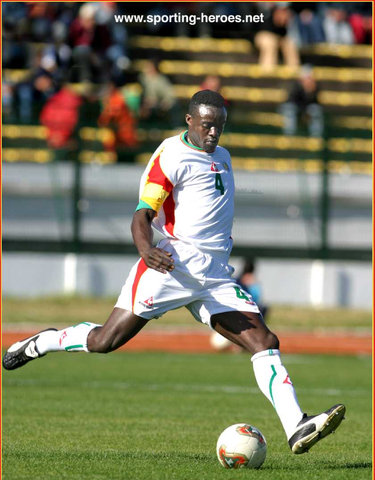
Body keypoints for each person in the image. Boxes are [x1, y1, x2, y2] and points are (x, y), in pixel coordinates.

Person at [3, 89, 345, 455]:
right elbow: (142, 214)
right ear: (190, 121)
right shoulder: (170, 155)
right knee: (105, 341)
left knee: (264, 342)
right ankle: (41, 342)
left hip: (214, 276)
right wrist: (146, 249)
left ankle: (296, 425)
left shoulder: (224, 156)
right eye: (207, 125)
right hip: (171, 267)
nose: (213, 133)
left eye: (220, 126)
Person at [280, 64, 324, 137]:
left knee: (315, 111)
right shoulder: (295, 86)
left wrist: (310, 92)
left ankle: (316, 137)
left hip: (304, 108)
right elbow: (291, 102)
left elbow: (315, 103)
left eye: (310, 78)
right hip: (294, 107)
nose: (309, 80)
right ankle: (289, 136)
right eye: (307, 78)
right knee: (289, 111)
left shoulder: (316, 87)